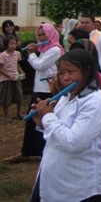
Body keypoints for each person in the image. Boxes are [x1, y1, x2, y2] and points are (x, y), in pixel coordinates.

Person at [30, 49, 101, 202]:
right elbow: (60, 130)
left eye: (71, 71)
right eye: (61, 73)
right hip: (58, 182)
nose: (65, 78)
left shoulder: (97, 102)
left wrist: (48, 117)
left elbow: (73, 141)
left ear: (87, 71)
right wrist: (43, 123)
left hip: (84, 189)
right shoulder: (66, 97)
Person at [5, 24, 65, 164]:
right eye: (38, 35)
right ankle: (27, 151)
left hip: (47, 91)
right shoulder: (45, 50)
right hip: (39, 88)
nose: (41, 38)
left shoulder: (55, 50)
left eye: (44, 35)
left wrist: (31, 53)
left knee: (43, 122)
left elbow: (39, 65)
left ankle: (41, 152)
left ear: (51, 35)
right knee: (32, 122)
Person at [0, 36, 24, 121]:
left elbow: (17, 64)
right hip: (6, 80)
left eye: (15, 43)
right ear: (7, 44)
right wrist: (8, 75)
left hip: (16, 77)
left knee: (19, 95)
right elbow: (0, 68)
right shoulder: (3, 55)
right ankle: (6, 115)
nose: (13, 45)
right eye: (11, 43)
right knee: (6, 98)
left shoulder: (17, 54)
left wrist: (21, 72)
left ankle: (19, 113)